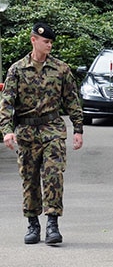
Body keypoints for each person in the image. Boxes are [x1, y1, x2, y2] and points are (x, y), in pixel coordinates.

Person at [0, 22, 84, 245]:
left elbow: (72, 101)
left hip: (53, 130)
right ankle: (33, 224)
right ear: (33, 40)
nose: (49, 45)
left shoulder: (61, 69)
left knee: (53, 175)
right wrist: (7, 131)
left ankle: (52, 223)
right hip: (27, 132)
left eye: (51, 42)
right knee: (29, 179)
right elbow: (7, 103)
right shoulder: (16, 70)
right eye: (46, 42)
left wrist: (78, 129)